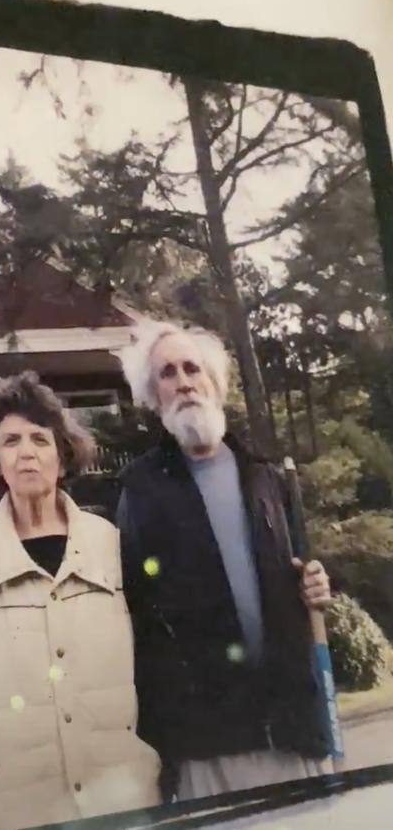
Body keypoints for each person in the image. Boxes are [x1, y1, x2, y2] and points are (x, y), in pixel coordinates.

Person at [0, 371, 162, 830]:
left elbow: (156, 666)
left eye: (40, 439)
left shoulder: (112, 545)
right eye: (11, 441)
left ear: (63, 455)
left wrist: (154, 764)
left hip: (126, 806)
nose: (27, 452)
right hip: (18, 815)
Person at [114, 319, 334, 803]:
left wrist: (314, 585)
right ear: (154, 398)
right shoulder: (140, 491)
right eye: (167, 373)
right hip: (209, 744)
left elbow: (299, 572)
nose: (184, 382)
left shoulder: (268, 479)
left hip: (293, 730)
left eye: (192, 368)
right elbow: (138, 616)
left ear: (216, 383)